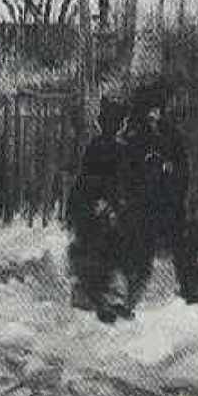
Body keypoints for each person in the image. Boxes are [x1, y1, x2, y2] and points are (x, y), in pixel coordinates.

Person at [118, 85, 198, 315]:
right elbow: (127, 174)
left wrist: (171, 173)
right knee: (139, 255)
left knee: (183, 249)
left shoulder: (170, 134)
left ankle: (196, 291)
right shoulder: (133, 137)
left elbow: (182, 166)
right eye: (151, 110)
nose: (156, 114)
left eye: (158, 109)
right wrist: (149, 169)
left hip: (169, 204)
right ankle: (127, 301)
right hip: (144, 207)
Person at [66, 97, 129, 324]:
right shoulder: (109, 149)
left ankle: (105, 300)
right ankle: (102, 301)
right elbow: (93, 180)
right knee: (104, 254)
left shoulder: (98, 147)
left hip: (98, 208)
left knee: (104, 254)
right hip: (98, 209)